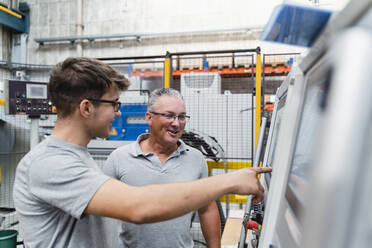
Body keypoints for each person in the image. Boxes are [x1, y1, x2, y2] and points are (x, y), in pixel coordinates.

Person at [13, 57, 271, 248]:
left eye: (181, 116)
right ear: (86, 108)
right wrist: (230, 181)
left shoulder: (78, 157)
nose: (117, 112)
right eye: (114, 104)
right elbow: (139, 206)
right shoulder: (51, 164)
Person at [103, 88, 221, 248]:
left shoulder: (196, 159)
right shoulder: (119, 158)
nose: (176, 123)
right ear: (149, 117)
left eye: (182, 117)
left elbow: (207, 209)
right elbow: (102, 215)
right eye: (169, 115)